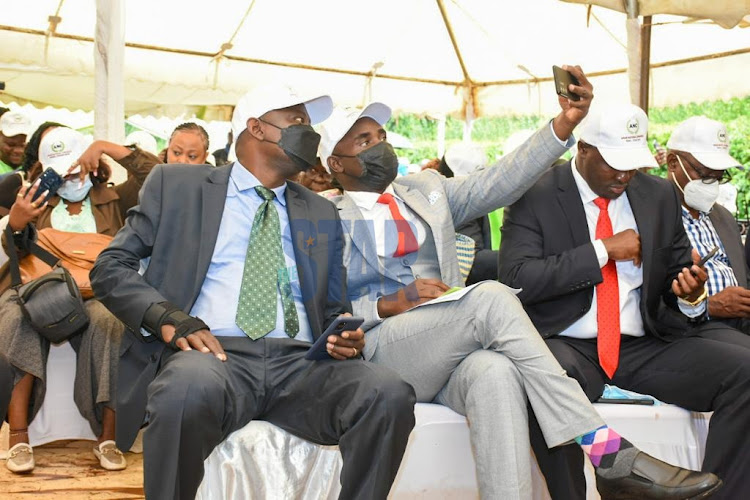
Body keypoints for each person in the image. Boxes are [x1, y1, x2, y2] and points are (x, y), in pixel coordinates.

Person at [319, 66, 720, 500]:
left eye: (380, 136)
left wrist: (563, 124)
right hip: (381, 350)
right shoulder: (323, 216)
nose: (380, 146)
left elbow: (503, 178)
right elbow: (314, 308)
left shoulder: (426, 189)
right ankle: (606, 451)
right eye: (364, 141)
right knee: (490, 296)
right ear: (336, 164)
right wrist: (384, 306)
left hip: (452, 351)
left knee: (496, 372)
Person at [90, 86, 416, 500]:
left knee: (388, 393)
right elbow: (110, 267)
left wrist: (344, 336)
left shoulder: (318, 210)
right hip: (213, 355)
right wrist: (167, 318)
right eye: (297, 122)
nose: (308, 133)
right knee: (184, 391)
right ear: (256, 127)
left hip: (301, 363)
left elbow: (334, 307)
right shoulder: (177, 185)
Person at [498, 103, 750, 500]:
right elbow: (516, 281)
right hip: (566, 343)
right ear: (582, 149)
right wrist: (602, 251)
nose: (624, 175)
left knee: (746, 370)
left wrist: (690, 293)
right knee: (543, 380)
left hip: (641, 343)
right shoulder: (537, 193)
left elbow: (676, 275)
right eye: (614, 163)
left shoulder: (657, 194)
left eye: (632, 164)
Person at [0, 125, 158, 473]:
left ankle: (107, 437)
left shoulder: (119, 198)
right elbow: (14, 256)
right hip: (41, 289)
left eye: (77, 165)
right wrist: (15, 224)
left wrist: (104, 145)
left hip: (100, 291)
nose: (71, 175)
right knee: (16, 319)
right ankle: (19, 438)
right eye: (61, 170)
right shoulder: (35, 200)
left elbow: (157, 174)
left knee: (111, 323)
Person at [666, 116, 750, 337]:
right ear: (673, 162)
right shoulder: (652, 217)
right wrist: (707, 306)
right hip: (690, 331)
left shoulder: (723, 218)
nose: (712, 183)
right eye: (704, 174)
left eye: (719, 176)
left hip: (741, 325)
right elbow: (643, 302)